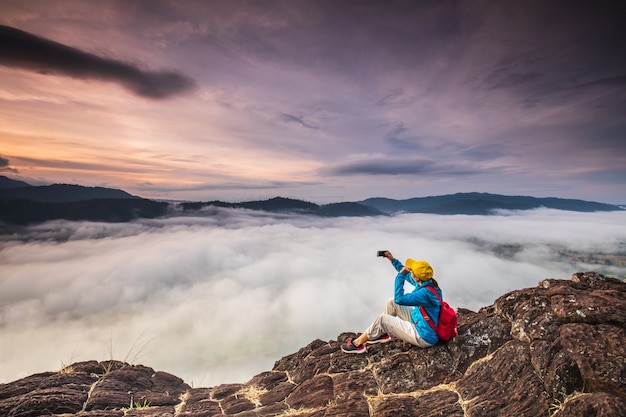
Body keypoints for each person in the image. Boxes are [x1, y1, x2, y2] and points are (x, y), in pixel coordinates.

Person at [341, 251, 442, 354]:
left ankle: (357, 344)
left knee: (383, 319)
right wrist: (392, 259)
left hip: (423, 336)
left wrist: (400, 276)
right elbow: (407, 276)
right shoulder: (427, 284)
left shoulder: (424, 293)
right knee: (392, 302)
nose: (410, 272)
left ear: (416, 277)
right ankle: (382, 333)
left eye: (412, 272)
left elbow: (400, 298)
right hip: (421, 321)